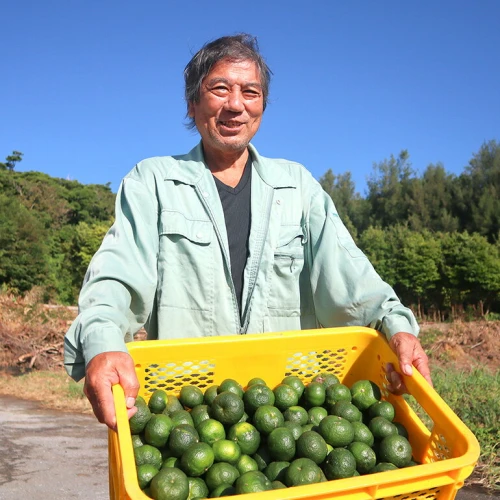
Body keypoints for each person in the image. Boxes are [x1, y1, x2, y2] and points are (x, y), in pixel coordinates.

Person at [64, 33, 432, 430]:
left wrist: (396, 327)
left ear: (262, 107)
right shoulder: (153, 181)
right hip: (186, 414)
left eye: (250, 92)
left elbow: (351, 277)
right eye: (219, 88)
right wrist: (103, 343)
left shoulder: (297, 186)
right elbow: (117, 275)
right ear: (193, 102)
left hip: (289, 413)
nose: (235, 105)